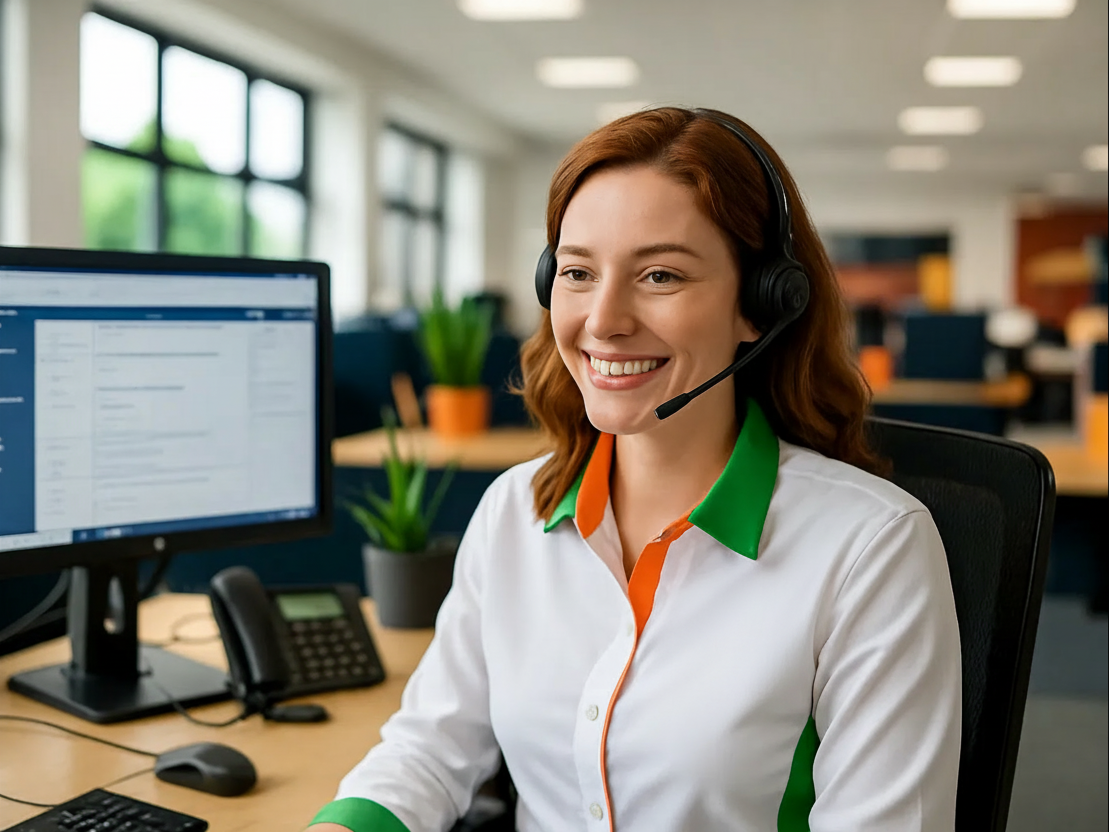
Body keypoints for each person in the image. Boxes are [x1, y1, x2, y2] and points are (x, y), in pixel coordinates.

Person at [307, 107, 961, 832]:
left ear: (760, 305)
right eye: (578, 272)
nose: (604, 318)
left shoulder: (869, 547)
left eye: (658, 274)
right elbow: (431, 747)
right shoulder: (514, 510)